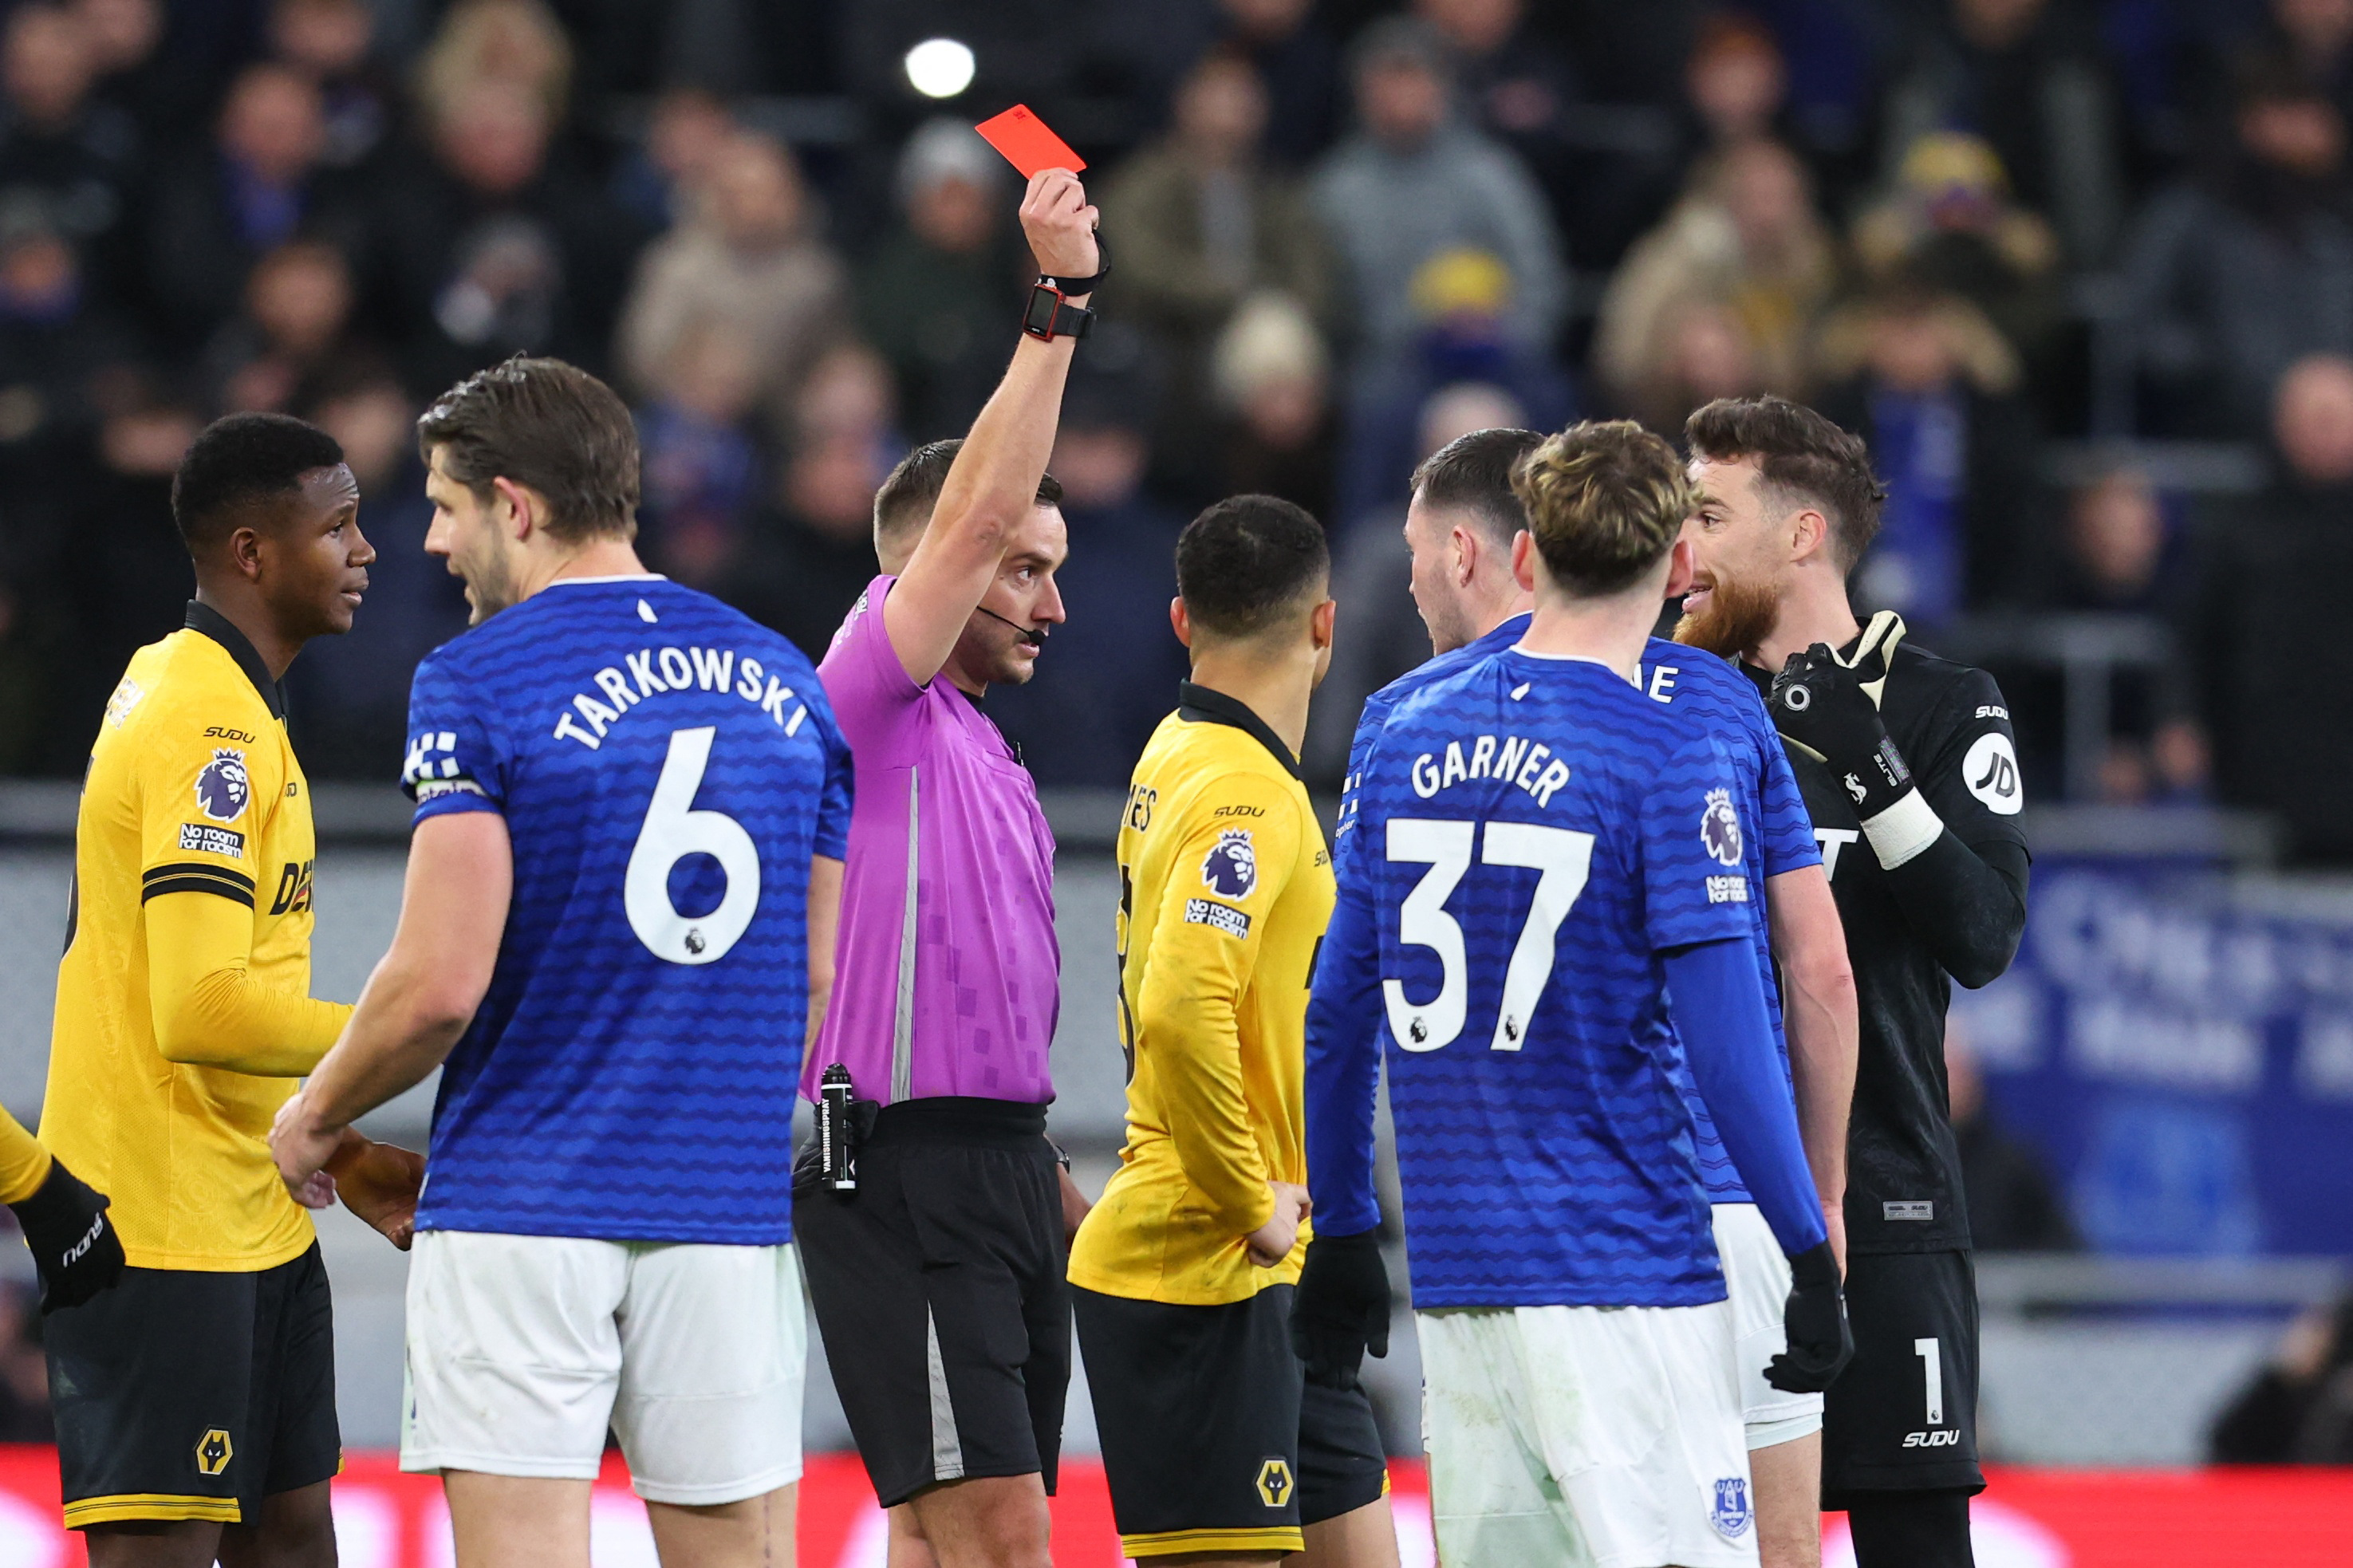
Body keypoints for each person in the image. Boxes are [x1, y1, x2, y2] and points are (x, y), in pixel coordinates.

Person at [267, 357, 846, 1568]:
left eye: (443, 503)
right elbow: (812, 979)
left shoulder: (479, 676)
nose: (429, 539)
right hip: (724, 1210)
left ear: (515, 506)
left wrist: (317, 1114)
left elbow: (437, 983)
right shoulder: (792, 685)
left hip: (524, 1203)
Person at [1303, 425, 1858, 1568]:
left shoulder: (1396, 725)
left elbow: (1336, 1009)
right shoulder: (1668, 737)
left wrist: (1345, 1224)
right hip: (1627, 1270)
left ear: (1523, 559)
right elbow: (1728, 1030)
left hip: (1461, 1282)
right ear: (1676, 567)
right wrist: (1807, 1242)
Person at [790, 168, 1100, 1568]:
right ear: (928, 565)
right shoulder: (870, 693)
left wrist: (1042, 1166)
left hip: (996, 1164)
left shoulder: (989, 760)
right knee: (997, 1534)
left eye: (1052, 566)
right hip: (896, 1170)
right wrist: (1055, 310)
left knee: (944, 1537)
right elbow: (973, 514)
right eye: (1021, 565)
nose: (1047, 596)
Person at [39, 411, 414, 1565]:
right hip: (155, 1224)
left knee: (296, 1531)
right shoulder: (207, 723)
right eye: (338, 527)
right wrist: (396, 1035)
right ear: (252, 552)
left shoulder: (216, 693)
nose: (366, 552)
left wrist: (331, 1139)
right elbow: (197, 1009)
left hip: (245, 1202)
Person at [1678, 393, 2033, 1567]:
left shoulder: (1942, 703)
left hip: (1883, 1204)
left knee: (1913, 1542)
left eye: (1708, 514)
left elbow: (1981, 936)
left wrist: (1870, 764)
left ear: (1799, 535)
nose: (1682, 546)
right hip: (1695, 1207)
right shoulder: (1670, 710)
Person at [1068, 494, 1394, 1566]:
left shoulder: (1175, 751)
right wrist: (1247, 1197)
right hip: (1205, 1262)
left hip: (1273, 1270)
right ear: (1322, 626)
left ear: (1178, 620)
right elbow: (1177, 1002)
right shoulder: (1245, 794)